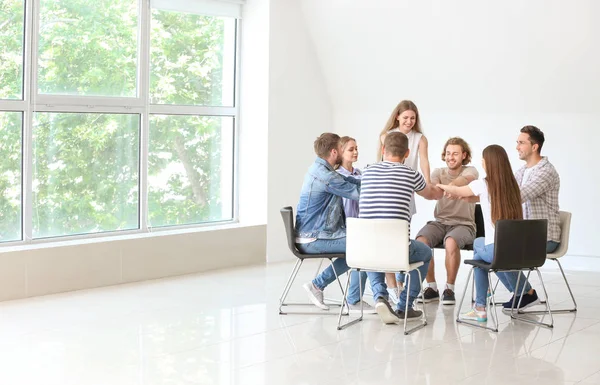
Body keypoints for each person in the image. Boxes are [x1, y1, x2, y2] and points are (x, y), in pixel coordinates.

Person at [436, 145, 526, 322]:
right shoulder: (512, 186)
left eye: (483, 160)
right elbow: (478, 197)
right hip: (517, 250)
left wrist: (438, 185)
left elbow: (457, 191)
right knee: (479, 253)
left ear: (488, 163)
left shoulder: (483, 184)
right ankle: (483, 302)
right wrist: (467, 197)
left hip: (496, 251)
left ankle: (480, 306)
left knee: (478, 247)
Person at [360, 132, 442, 323]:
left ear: (383, 150)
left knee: (374, 248)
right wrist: (442, 190)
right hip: (397, 250)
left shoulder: (367, 171)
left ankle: (380, 296)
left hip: (364, 249)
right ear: (407, 153)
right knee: (425, 253)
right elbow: (430, 194)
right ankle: (405, 306)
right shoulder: (411, 174)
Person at [493, 125, 561, 311]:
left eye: (521, 143)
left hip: (545, 238)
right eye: (517, 142)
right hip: (525, 237)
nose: (517, 147)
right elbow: (506, 193)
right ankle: (523, 294)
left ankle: (526, 294)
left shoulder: (546, 171)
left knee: (502, 250)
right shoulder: (522, 171)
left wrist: (491, 192)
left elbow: (517, 196)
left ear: (535, 146)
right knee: (489, 250)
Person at [297, 133, 367, 311]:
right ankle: (334, 292)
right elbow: (357, 193)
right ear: (335, 151)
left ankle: (350, 298)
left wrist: (373, 179)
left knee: (361, 246)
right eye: (343, 149)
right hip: (313, 238)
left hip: (312, 234)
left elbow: (349, 180)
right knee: (363, 247)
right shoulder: (325, 176)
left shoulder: (320, 170)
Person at [377, 100, 432, 303]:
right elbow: (382, 160)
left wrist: (428, 183)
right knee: (388, 236)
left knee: (402, 234)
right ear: (397, 117)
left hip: (408, 187)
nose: (409, 121)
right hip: (391, 186)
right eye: (405, 117)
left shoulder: (420, 139)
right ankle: (394, 287)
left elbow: (424, 161)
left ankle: (400, 281)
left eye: (413, 118)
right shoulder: (387, 136)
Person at [415, 137, 479, 305]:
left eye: (455, 154)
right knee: (421, 241)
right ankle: (432, 288)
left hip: (464, 224)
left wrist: (448, 187)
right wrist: (432, 187)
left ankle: (449, 288)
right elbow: (432, 188)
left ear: (464, 155)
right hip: (440, 222)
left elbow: (463, 181)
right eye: (448, 153)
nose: (451, 157)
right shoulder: (438, 172)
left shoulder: (470, 170)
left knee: (450, 242)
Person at [335, 136, 371, 313]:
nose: (356, 152)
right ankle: (354, 299)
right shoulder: (338, 176)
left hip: (361, 225)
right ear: (341, 152)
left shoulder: (359, 174)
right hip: (346, 227)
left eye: (356, 148)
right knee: (363, 255)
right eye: (351, 149)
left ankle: (380, 295)